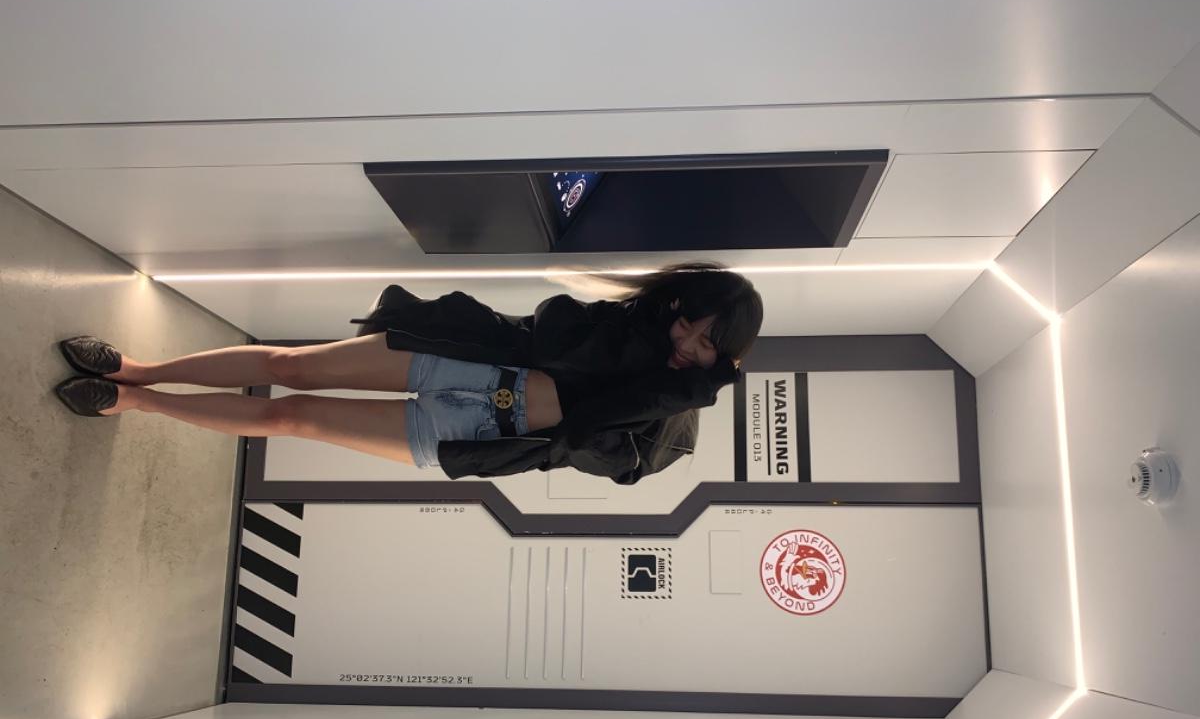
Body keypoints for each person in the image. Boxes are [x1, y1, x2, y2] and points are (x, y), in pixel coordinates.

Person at [53, 262, 763, 484]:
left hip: (475, 432)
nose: (687, 343)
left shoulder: (669, 428)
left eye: (707, 345)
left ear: (723, 360)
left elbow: (584, 435)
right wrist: (642, 356)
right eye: (690, 324)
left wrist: (674, 390)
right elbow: (553, 338)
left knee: (290, 416)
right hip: (470, 360)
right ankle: (138, 367)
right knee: (287, 366)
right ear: (678, 304)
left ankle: (134, 403)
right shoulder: (625, 323)